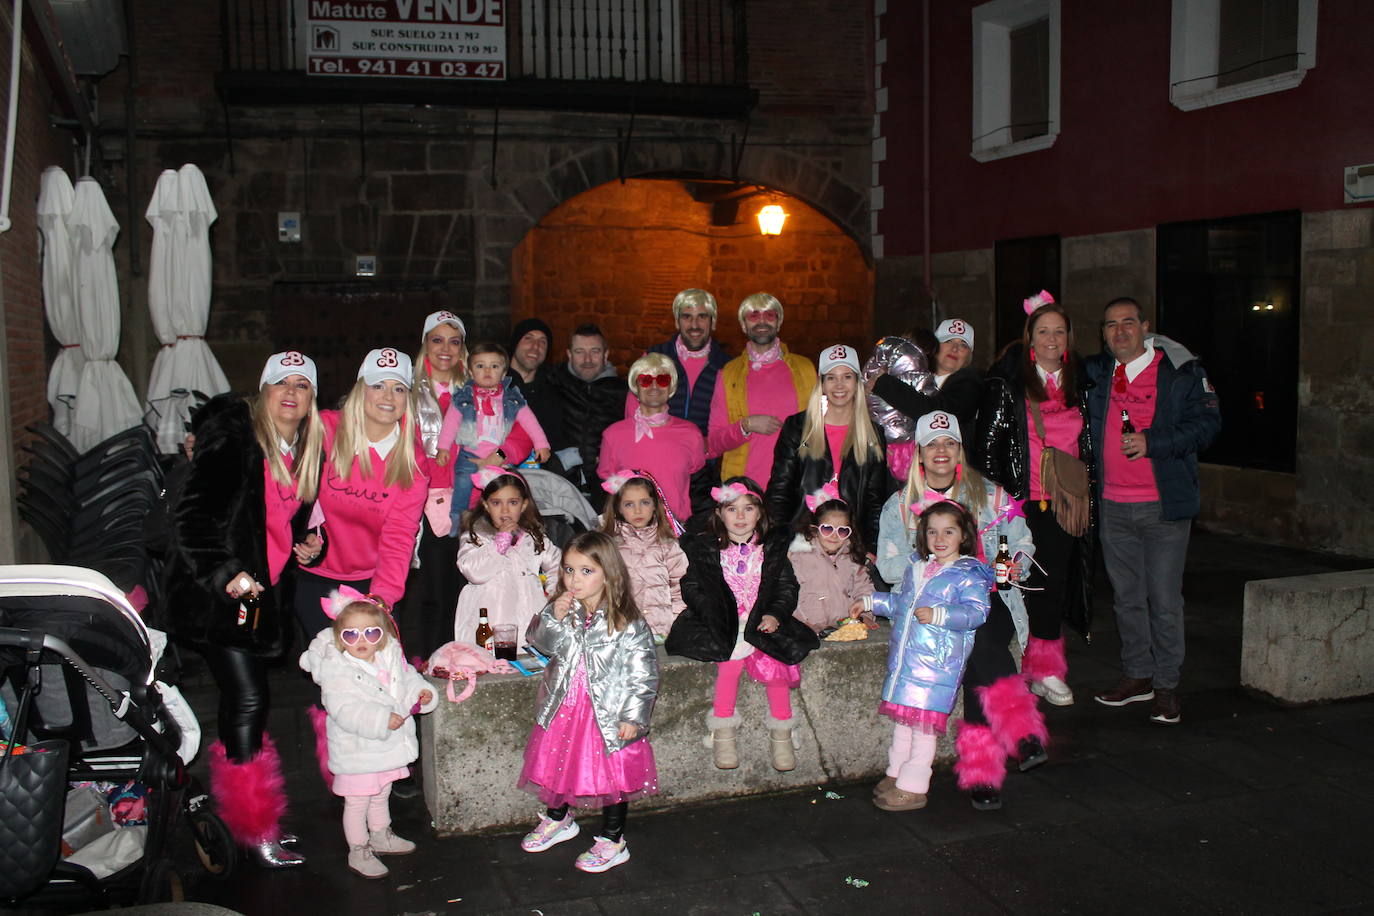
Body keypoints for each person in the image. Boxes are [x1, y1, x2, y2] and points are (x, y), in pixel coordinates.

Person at [158, 350, 325, 868]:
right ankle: (255, 826)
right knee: (250, 699)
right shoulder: (237, 442)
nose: (291, 392)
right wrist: (227, 573)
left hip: (253, 601)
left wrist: (304, 543)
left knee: (241, 702)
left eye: (302, 384)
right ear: (263, 391)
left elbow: (267, 518)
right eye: (281, 383)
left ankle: (246, 822)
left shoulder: (298, 448)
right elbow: (192, 521)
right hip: (216, 600)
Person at [876, 411, 1045, 811]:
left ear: (960, 451)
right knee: (974, 651)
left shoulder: (992, 494)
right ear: (919, 452)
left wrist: (1015, 561)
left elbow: (1021, 541)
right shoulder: (900, 505)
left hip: (987, 597)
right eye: (932, 444)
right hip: (929, 607)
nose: (941, 451)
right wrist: (934, 572)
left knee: (982, 637)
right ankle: (1007, 747)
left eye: (949, 443)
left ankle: (989, 766)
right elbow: (887, 566)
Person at [1086, 297, 1221, 725]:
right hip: (1112, 506)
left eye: (1128, 322)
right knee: (1126, 599)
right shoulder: (1097, 374)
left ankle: (1166, 685)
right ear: (1103, 334)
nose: (1120, 331)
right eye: (1111, 325)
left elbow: (1207, 425)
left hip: (1163, 507)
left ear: (1146, 326)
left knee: (1164, 600)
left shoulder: (1180, 372)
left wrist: (1153, 442)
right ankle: (1138, 676)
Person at [974, 292, 1095, 707]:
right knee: (1007, 582)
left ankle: (1046, 669)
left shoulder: (1083, 380)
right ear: (1029, 337)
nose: (1051, 338)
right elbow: (988, 446)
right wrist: (995, 504)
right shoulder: (1008, 384)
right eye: (1043, 331)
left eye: (1059, 331)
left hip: (1066, 501)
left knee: (1050, 584)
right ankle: (1006, 667)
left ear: (1069, 338)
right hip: (1020, 503)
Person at [516, 531, 660, 874]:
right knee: (558, 764)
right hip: (566, 707)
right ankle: (559, 818)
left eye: (585, 571)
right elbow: (540, 642)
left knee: (613, 777)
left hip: (608, 715)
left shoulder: (627, 623)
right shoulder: (569, 610)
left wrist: (634, 717)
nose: (574, 579)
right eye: (568, 570)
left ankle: (613, 838)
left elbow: (644, 675)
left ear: (608, 574)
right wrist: (553, 615)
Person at [667, 477, 819, 772]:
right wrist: (712, 611)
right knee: (730, 662)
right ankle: (722, 731)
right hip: (723, 622)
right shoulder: (707, 549)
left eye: (748, 509)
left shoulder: (770, 549)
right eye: (731, 509)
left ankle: (783, 733)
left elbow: (787, 587)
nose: (740, 517)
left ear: (760, 513)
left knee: (775, 665)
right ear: (719, 514)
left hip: (762, 621)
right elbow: (692, 585)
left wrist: (774, 614)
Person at [299, 590, 437, 878]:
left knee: (381, 792)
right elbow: (344, 709)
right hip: (357, 750)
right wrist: (380, 719)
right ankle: (358, 849)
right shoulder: (337, 669)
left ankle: (380, 834)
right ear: (339, 637)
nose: (361, 641)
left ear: (383, 635)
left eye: (370, 633)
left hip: (384, 748)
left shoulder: (389, 657)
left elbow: (408, 678)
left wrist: (420, 692)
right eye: (351, 635)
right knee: (358, 800)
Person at [295, 349, 428, 638]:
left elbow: (399, 537)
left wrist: (381, 600)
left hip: (372, 581)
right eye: (378, 385)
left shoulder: (411, 463)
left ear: (408, 399)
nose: (388, 397)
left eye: (398, 388)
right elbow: (281, 477)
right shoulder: (325, 429)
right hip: (315, 577)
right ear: (360, 390)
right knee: (327, 674)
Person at [870, 500, 992, 812]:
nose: (939, 539)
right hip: (907, 664)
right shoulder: (918, 568)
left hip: (936, 667)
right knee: (903, 725)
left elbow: (977, 613)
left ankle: (914, 786)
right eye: (932, 532)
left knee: (923, 731)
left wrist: (939, 614)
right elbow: (901, 605)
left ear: (963, 535)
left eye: (948, 531)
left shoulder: (968, 574)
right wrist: (871, 601)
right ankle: (897, 772)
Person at [766, 344, 890, 548]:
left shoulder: (873, 434)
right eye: (831, 377)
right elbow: (780, 489)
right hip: (802, 541)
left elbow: (875, 500)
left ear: (857, 382)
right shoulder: (797, 427)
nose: (839, 385)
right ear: (821, 383)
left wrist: (871, 550)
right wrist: (778, 543)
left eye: (847, 377)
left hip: (850, 543)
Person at [707, 293, 816, 489]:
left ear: (779, 322)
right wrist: (746, 425)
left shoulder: (805, 369)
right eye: (753, 315)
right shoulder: (728, 374)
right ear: (743, 325)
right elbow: (713, 445)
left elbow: (821, 430)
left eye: (770, 315)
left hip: (795, 488)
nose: (762, 321)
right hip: (744, 493)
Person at [436, 342, 552, 523]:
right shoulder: (463, 398)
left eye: (494, 366)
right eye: (480, 366)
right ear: (471, 372)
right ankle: (458, 520)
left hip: (499, 457)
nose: (487, 371)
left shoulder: (512, 399)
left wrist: (542, 444)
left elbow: (530, 423)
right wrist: (443, 447)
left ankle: (504, 525)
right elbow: (450, 423)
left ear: (504, 373)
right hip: (470, 454)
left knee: (503, 492)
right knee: (462, 485)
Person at [453, 468, 562, 646]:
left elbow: (558, 565)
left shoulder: (534, 538)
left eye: (512, 502)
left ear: (524, 505)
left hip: (527, 612)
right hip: (489, 617)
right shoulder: (475, 537)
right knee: (490, 663)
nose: (505, 510)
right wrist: (500, 543)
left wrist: (552, 594)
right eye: (496, 503)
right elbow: (473, 572)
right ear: (486, 505)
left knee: (524, 659)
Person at [598, 354, 706, 522]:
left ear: (671, 387)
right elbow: (607, 493)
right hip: (630, 532)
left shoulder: (691, 434)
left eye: (662, 379)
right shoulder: (613, 435)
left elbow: (698, 489)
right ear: (636, 387)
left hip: (676, 529)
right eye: (646, 380)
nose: (654, 386)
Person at [599, 469, 688, 640]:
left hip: (664, 630)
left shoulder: (669, 545)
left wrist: (677, 622)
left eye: (645, 503)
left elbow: (680, 586)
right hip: (623, 632)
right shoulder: (609, 545)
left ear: (655, 505)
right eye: (629, 504)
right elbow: (602, 589)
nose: (638, 510)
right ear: (618, 508)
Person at [548, 323, 627, 504]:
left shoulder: (623, 393)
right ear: (569, 355)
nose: (587, 359)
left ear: (606, 355)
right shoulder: (553, 383)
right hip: (561, 486)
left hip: (608, 488)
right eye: (579, 352)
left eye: (595, 351)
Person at [869, 318, 984, 435]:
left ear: (969, 356)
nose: (955, 349)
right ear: (935, 346)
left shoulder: (970, 385)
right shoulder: (913, 374)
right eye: (948, 341)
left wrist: (882, 383)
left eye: (963, 345)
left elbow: (936, 414)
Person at [644, 288, 732, 434]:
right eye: (687, 317)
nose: (694, 325)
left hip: (706, 455)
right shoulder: (654, 357)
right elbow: (634, 411)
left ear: (713, 322)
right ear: (677, 322)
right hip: (658, 450)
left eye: (702, 316)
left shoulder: (728, 366)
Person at [787, 493, 874, 634]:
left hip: (846, 630)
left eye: (842, 531)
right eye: (827, 529)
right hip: (809, 631)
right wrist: (803, 623)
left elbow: (864, 589)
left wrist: (865, 615)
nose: (834, 536)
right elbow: (789, 595)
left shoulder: (852, 558)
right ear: (814, 529)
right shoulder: (799, 557)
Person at [506, 317, 567, 474]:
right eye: (528, 338)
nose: (535, 347)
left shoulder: (553, 392)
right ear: (515, 343)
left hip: (542, 479)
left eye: (543, 342)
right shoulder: (495, 386)